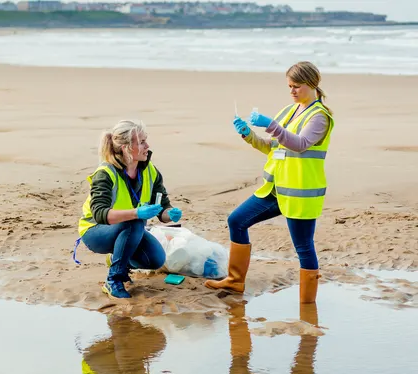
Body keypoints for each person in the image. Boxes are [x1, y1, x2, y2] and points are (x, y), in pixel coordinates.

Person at [205, 61, 334, 304]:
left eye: (296, 86)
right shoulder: (289, 110)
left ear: (312, 84)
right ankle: (235, 282)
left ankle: (308, 305)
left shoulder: (320, 117)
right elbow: (272, 146)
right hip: (275, 188)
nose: (292, 91)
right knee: (237, 220)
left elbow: (300, 144)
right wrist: (248, 134)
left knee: (303, 247)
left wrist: (271, 125)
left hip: (300, 193)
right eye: (289, 86)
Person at [77, 120, 183, 299]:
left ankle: (118, 260)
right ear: (126, 148)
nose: (147, 146)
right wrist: (136, 213)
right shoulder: (105, 173)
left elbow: (162, 208)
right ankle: (114, 280)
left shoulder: (150, 171)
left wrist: (169, 214)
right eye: (141, 142)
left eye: (145, 140)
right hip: (95, 231)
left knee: (156, 259)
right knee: (134, 223)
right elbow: (100, 214)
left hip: (130, 229)